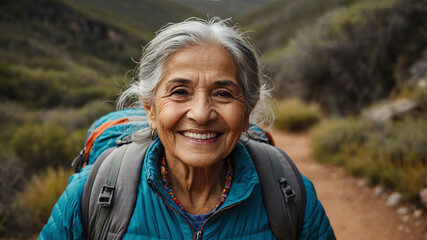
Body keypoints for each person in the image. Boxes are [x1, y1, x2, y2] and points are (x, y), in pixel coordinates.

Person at [39, 17, 335, 239]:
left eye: (223, 93)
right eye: (180, 91)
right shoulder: (87, 196)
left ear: (246, 113)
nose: (202, 114)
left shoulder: (292, 196)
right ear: (150, 109)